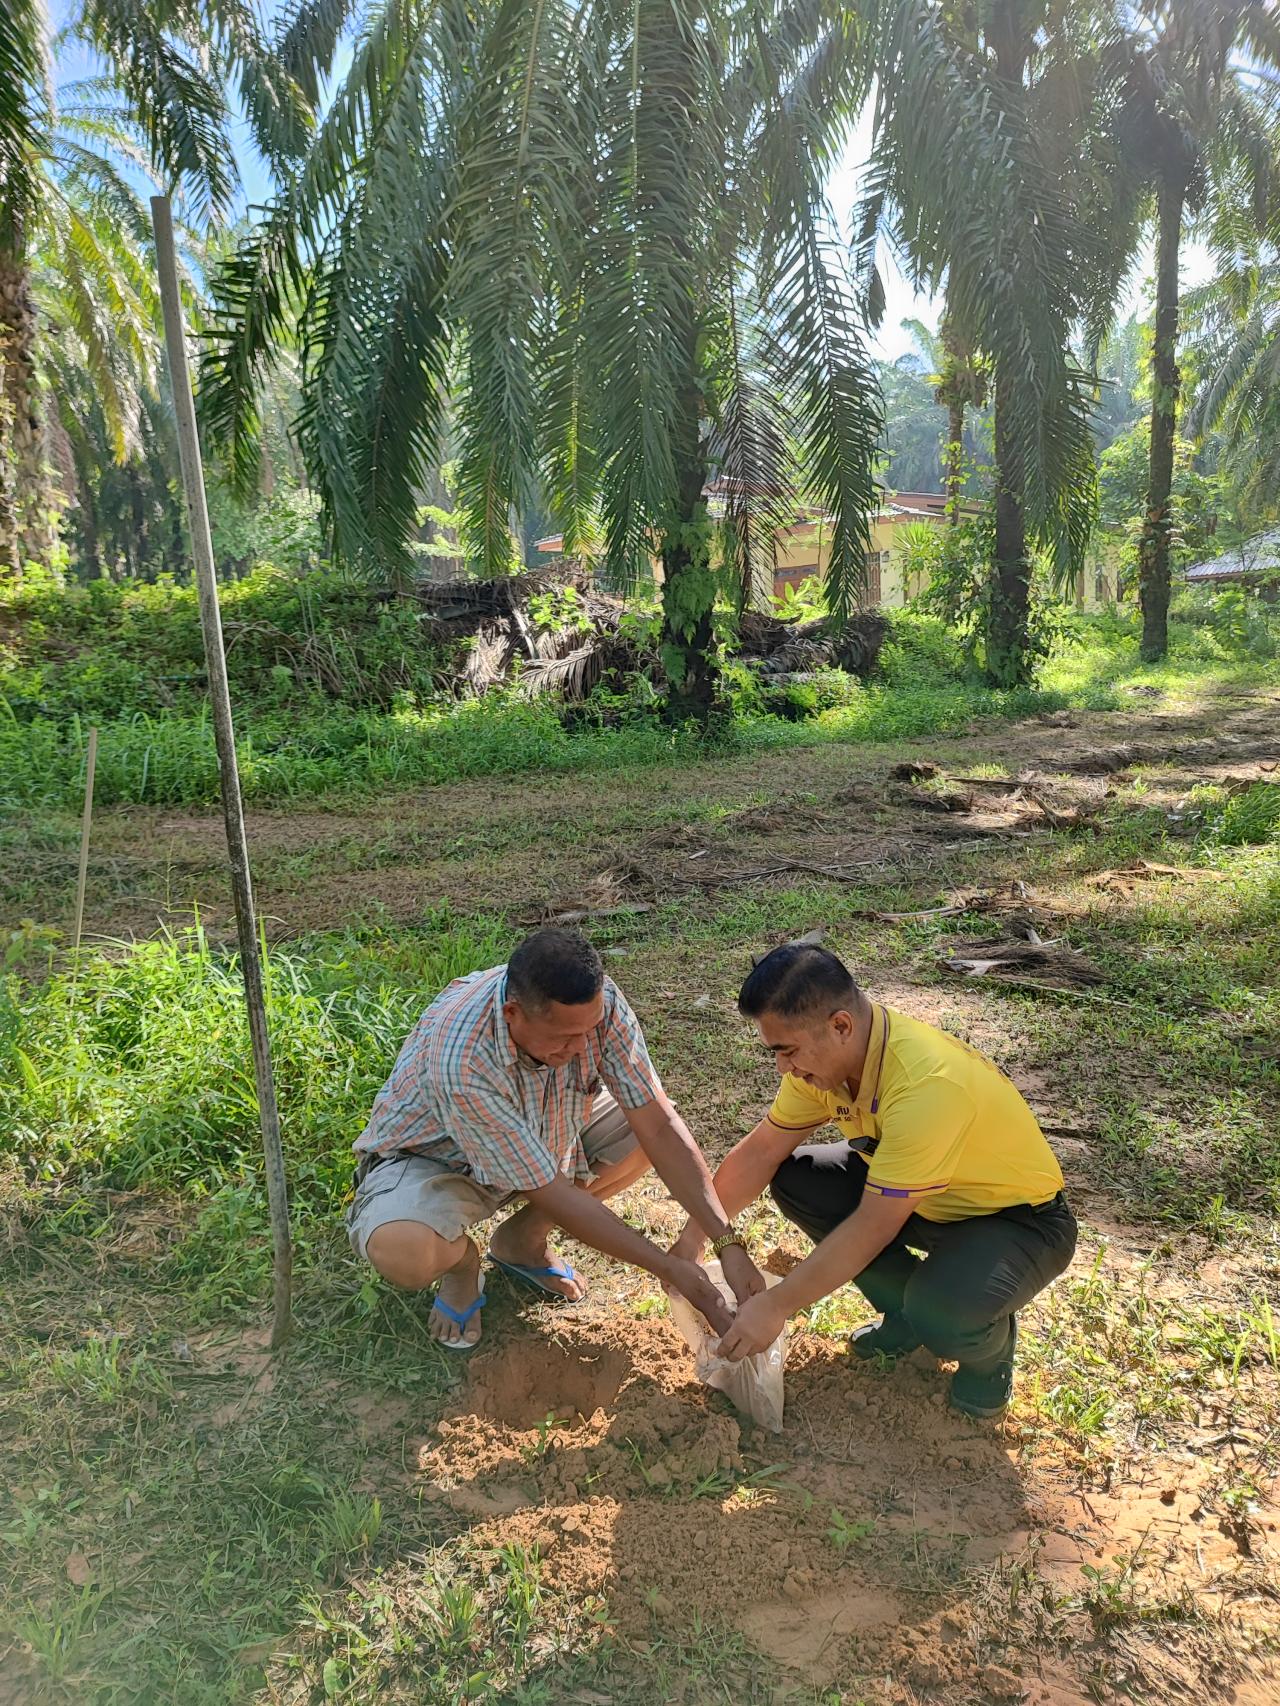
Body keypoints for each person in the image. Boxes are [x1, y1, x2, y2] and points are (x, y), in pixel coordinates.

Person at [675, 943, 1077, 1417]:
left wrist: (776, 1304)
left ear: (840, 1025)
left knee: (944, 1313)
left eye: (788, 1051)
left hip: (1014, 1222)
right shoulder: (826, 1066)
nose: (783, 1068)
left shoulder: (926, 1085)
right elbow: (763, 1150)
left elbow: (872, 1225)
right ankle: (903, 1316)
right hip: (925, 1200)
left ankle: (989, 1355)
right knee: (800, 1179)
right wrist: (695, 1240)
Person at [347, 928, 764, 1349]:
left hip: (537, 1138)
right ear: (513, 1014)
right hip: (438, 1161)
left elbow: (658, 1124)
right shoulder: (462, 1060)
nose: (583, 1045)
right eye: (565, 1036)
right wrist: (666, 1267)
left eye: (590, 1029)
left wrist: (725, 1241)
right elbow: (549, 1190)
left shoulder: (596, 1005)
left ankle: (521, 1243)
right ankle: (461, 1264)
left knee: (644, 1134)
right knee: (403, 1250)